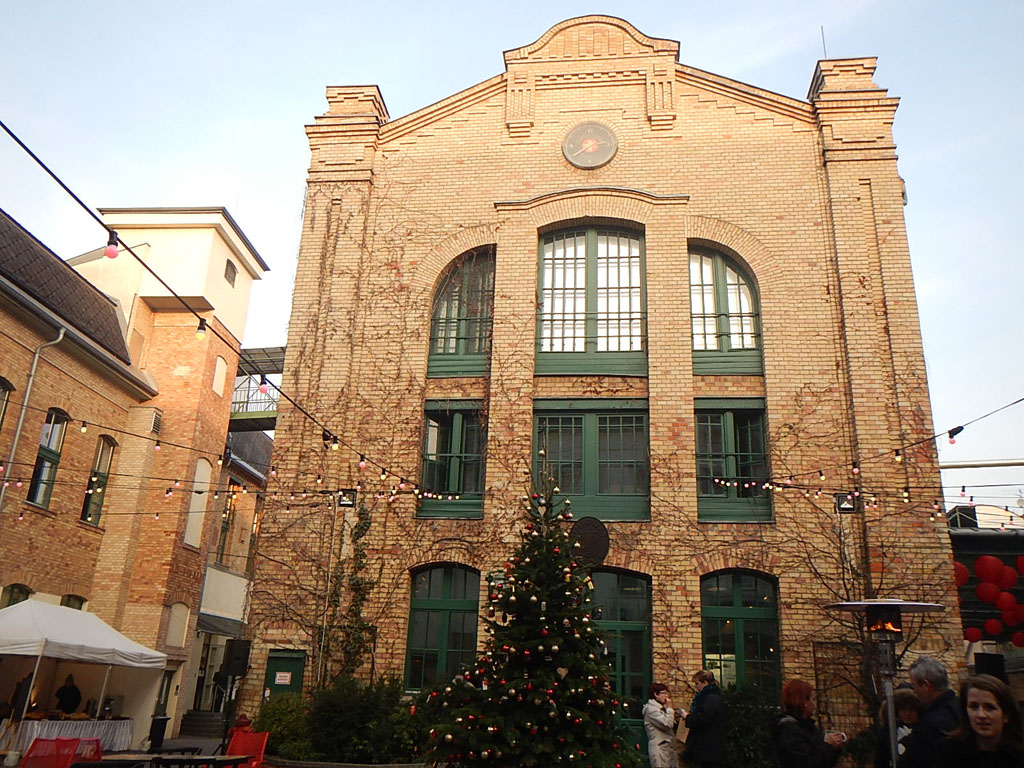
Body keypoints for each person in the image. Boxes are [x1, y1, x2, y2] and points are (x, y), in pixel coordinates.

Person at [933, 674, 1024, 767]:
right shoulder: (947, 753)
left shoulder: (1018, 756)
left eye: (990, 708)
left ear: (1006, 715)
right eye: (974, 707)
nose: (981, 715)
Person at [897, 656, 959, 768]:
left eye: (914, 685)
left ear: (926, 685)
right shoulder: (963, 708)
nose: (914, 691)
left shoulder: (928, 726)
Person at [772, 678, 844, 768]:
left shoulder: (807, 727)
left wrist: (834, 747)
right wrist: (827, 745)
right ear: (805, 702)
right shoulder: (789, 731)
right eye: (812, 699)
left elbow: (823, 761)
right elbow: (807, 764)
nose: (814, 704)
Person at [680, 669, 725, 768]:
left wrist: (687, 717)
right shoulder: (711, 697)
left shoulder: (710, 698)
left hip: (707, 747)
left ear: (705, 683)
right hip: (707, 747)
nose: (696, 687)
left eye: (697, 684)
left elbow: (703, 718)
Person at [874, 688, 921, 767]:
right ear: (896, 711)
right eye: (903, 709)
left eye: (911, 709)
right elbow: (881, 761)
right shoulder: (887, 733)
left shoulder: (924, 731)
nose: (907, 713)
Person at [643, 682, 680, 768]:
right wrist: (670, 709)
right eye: (664, 693)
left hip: (668, 749)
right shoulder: (651, 710)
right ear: (656, 694)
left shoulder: (661, 708)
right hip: (660, 749)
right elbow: (667, 724)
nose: (666, 696)